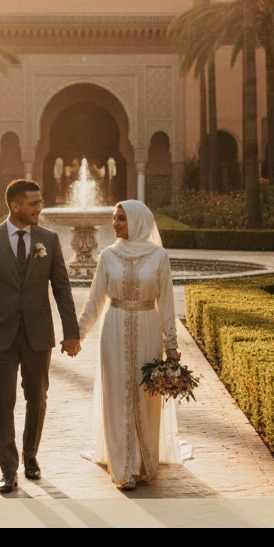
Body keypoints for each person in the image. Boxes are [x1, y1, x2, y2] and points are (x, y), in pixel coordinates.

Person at [0, 179, 81, 494]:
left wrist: (71, 333)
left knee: (37, 398)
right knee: (2, 403)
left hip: (38, 334)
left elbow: (61, 288)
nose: (39, 208)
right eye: (33, 204)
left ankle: (30, 455)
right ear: (15, 206)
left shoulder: (49, 239)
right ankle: (8, 468)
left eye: (40, 202)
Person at [77, 199, 190, 489]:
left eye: (122, 219)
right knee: (116, 394)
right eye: (114, 218)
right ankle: (122, 467)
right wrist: (78, 334)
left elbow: (166, 304)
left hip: (147, 327)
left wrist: (172, 347)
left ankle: (142, 463)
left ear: (138, 221)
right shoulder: (107, 256)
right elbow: (94, 301)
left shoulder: (158, 256)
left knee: (145, 394)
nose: (115, 223)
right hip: (113, 328)